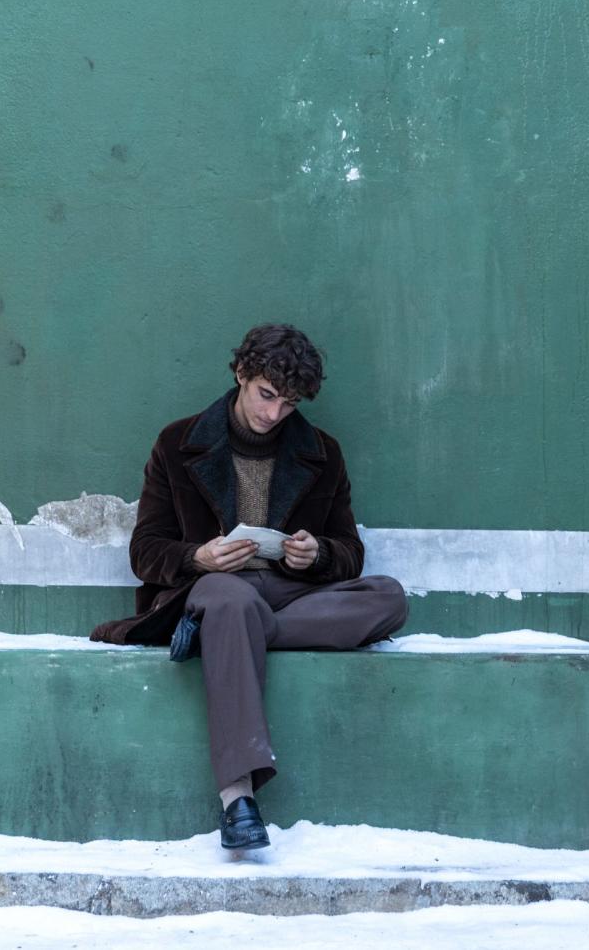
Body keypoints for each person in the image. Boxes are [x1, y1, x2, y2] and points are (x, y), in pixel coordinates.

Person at [91, 324, 408, 850]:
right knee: (230, 598)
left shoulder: (322, 452)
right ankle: (237, 798)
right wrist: (198, 557)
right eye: (267, 394)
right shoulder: (177, 443)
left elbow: (351, 554)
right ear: (241, 373)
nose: (274, 413)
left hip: (288, 592)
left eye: (289, 403)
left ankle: (227, 633)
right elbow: (144, 551)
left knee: (388, 597)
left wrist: (318, 554)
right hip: (214, 587)